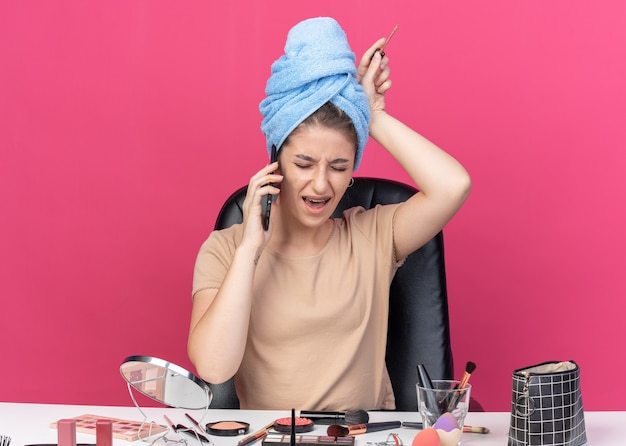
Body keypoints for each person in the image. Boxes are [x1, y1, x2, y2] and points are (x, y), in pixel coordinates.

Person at [188, 17, 470, 411]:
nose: (322, 186)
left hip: (368, 437)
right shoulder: (225, 250)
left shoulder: (371, 236)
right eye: (304, 164)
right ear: (274, 163)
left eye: (339, 167)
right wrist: (250, 249)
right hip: (275, 438)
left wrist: (375, 117)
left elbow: (452, 185)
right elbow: (215, 367)